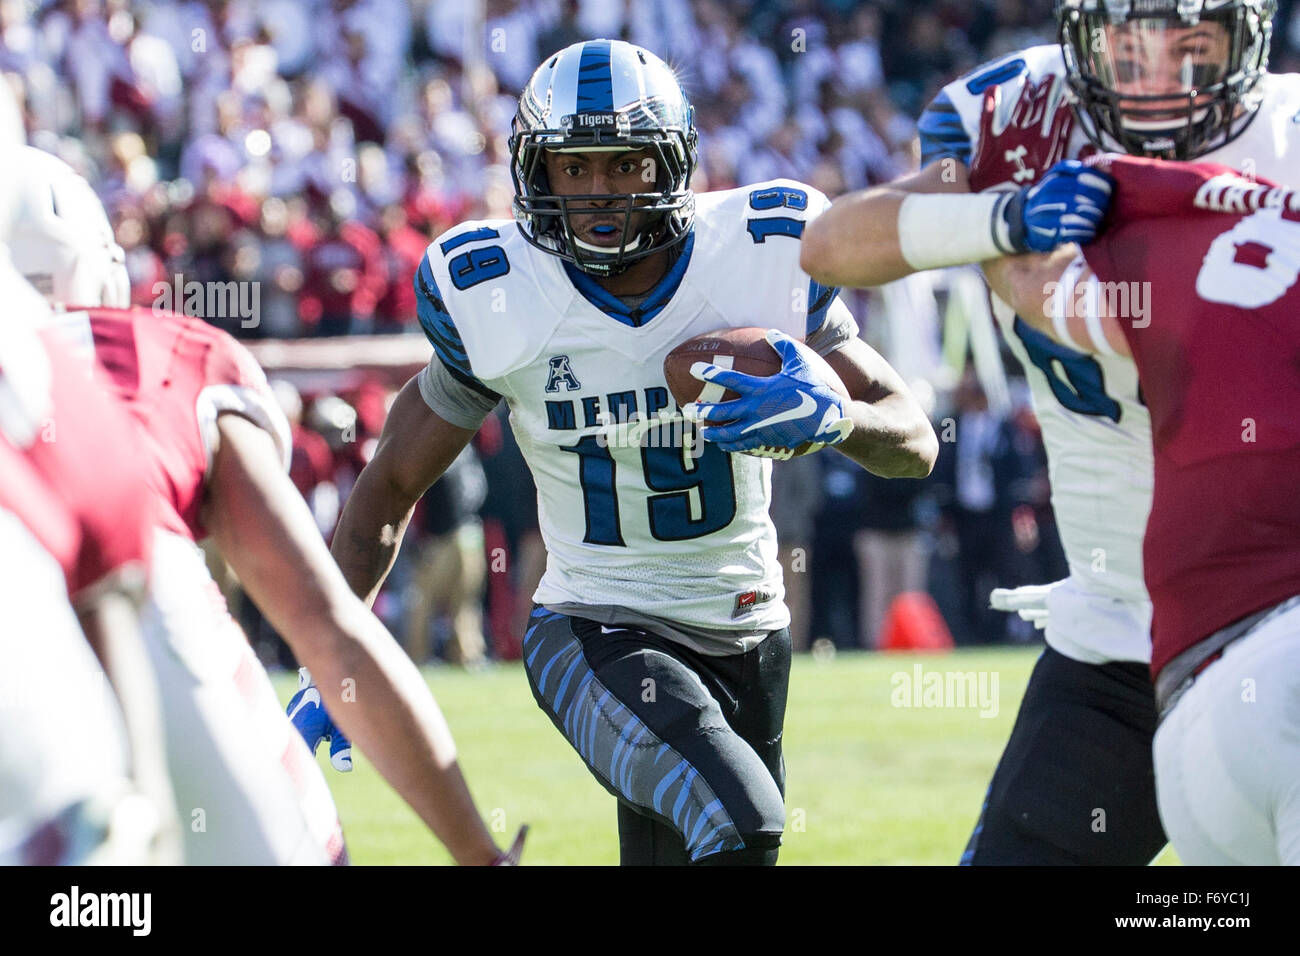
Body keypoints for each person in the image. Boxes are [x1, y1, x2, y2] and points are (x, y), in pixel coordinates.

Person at [327, 39, 936, 866]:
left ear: (672, 163)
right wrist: (323, 655)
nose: (598, 193)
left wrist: (834, 420)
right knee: (742, 822)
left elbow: (914, 440)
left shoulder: (759, 254)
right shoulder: (500, 295)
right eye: (573, 170)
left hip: (748, 631)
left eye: (624, 164)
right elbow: (388, 489)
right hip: (595, 626)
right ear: (535, 174)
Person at [800, 0, 1289, 865]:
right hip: (1112, 640)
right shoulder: (1024, 117)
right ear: (1084, 37)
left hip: (1275, 622)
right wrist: (1005, 218)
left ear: (1244, 41)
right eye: (1129, 45)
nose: (1158, 79)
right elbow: (832, 244)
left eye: (1192, 45)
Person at [11, 146, 519, 866]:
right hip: (162, 652)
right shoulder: (158, 351)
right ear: (94, 263)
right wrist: (478, 852)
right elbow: (328, 625)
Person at [982, 153, 1300, 865]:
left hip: (1200, 698)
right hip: (1225, 661)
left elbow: (1034, 284)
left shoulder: (1215, 243)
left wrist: (1003, 224)